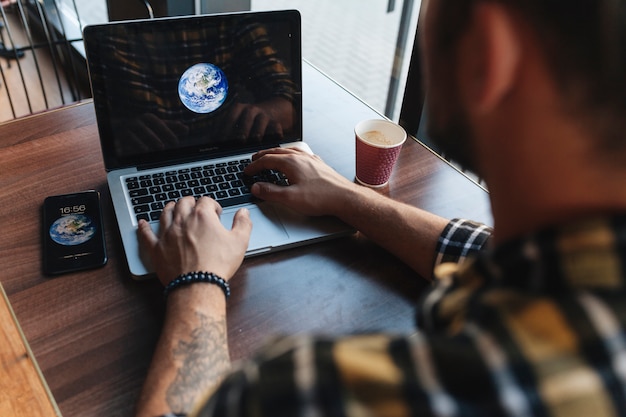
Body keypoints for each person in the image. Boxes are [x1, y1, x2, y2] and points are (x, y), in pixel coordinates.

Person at [134, 0, 626, 416]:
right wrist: (347, 197)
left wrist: (195, 282)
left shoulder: (311, 390)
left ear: (487, 52)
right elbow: (476, 250)